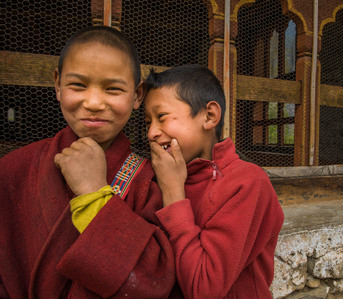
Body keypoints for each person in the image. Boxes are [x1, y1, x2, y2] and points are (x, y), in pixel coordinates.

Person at [0, 26, 175, 298]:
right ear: (57, 85)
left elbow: (154, 279)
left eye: (113, 89)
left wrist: (94, 194)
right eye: (78, 85)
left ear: (137, 95)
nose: (94, 102)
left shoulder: (150, 180)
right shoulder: (12, 169)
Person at [145, 64, 285, 298]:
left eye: (161, 117)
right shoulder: (157, 177)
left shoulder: (245, 182)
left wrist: (173, 195)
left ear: (209, 116)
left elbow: (204, 289)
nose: (151, 132)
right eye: (148, 122)